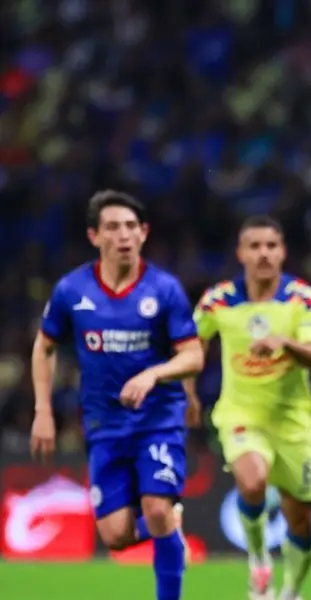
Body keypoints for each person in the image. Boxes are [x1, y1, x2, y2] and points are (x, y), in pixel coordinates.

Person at [30, 190, 204, 600]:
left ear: (144, 233)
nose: (123, 235)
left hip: (158, 419)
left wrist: (153, 375)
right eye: (112, 227)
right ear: (94, 236)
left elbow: (193, 355)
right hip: (104, 423)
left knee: (156, 508)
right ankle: (168, 526)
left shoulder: (164, 289)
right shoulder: (71, 290)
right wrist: (43, 410)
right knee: (116, 536)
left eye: (130, 226)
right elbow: (44, 347)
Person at [185, 216, 311, 600]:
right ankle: (258, 558)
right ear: (241, 253)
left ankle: (291, 591)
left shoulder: (302, 298)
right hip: (240, 415)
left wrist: (285, 342)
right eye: (255, 246)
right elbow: (191, 344)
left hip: (293, 423)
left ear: (282, 252)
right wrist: (189, 393)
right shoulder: (218, 300)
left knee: (301, 523)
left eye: (271, 246)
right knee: (251, 482)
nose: (263, 253)